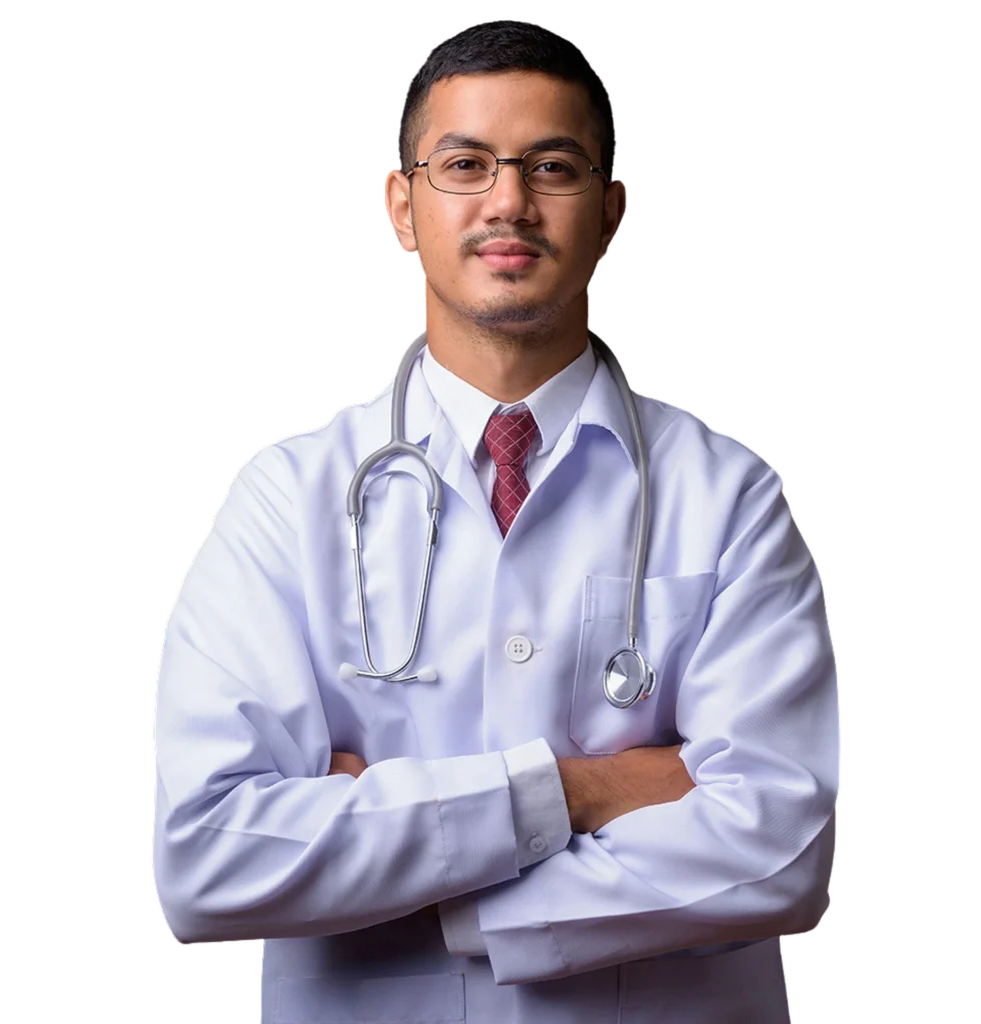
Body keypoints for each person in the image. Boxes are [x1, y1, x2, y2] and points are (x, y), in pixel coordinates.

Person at [152, 15, 839, 1023]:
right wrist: (582, 791)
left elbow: (781, 853)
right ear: (401, 207)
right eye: (465, 165)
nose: (509, 201)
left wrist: (397, 864)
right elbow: (210, 860)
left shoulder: (729, 496)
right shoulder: (285, 497)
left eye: (551, 167)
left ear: (610, 213)